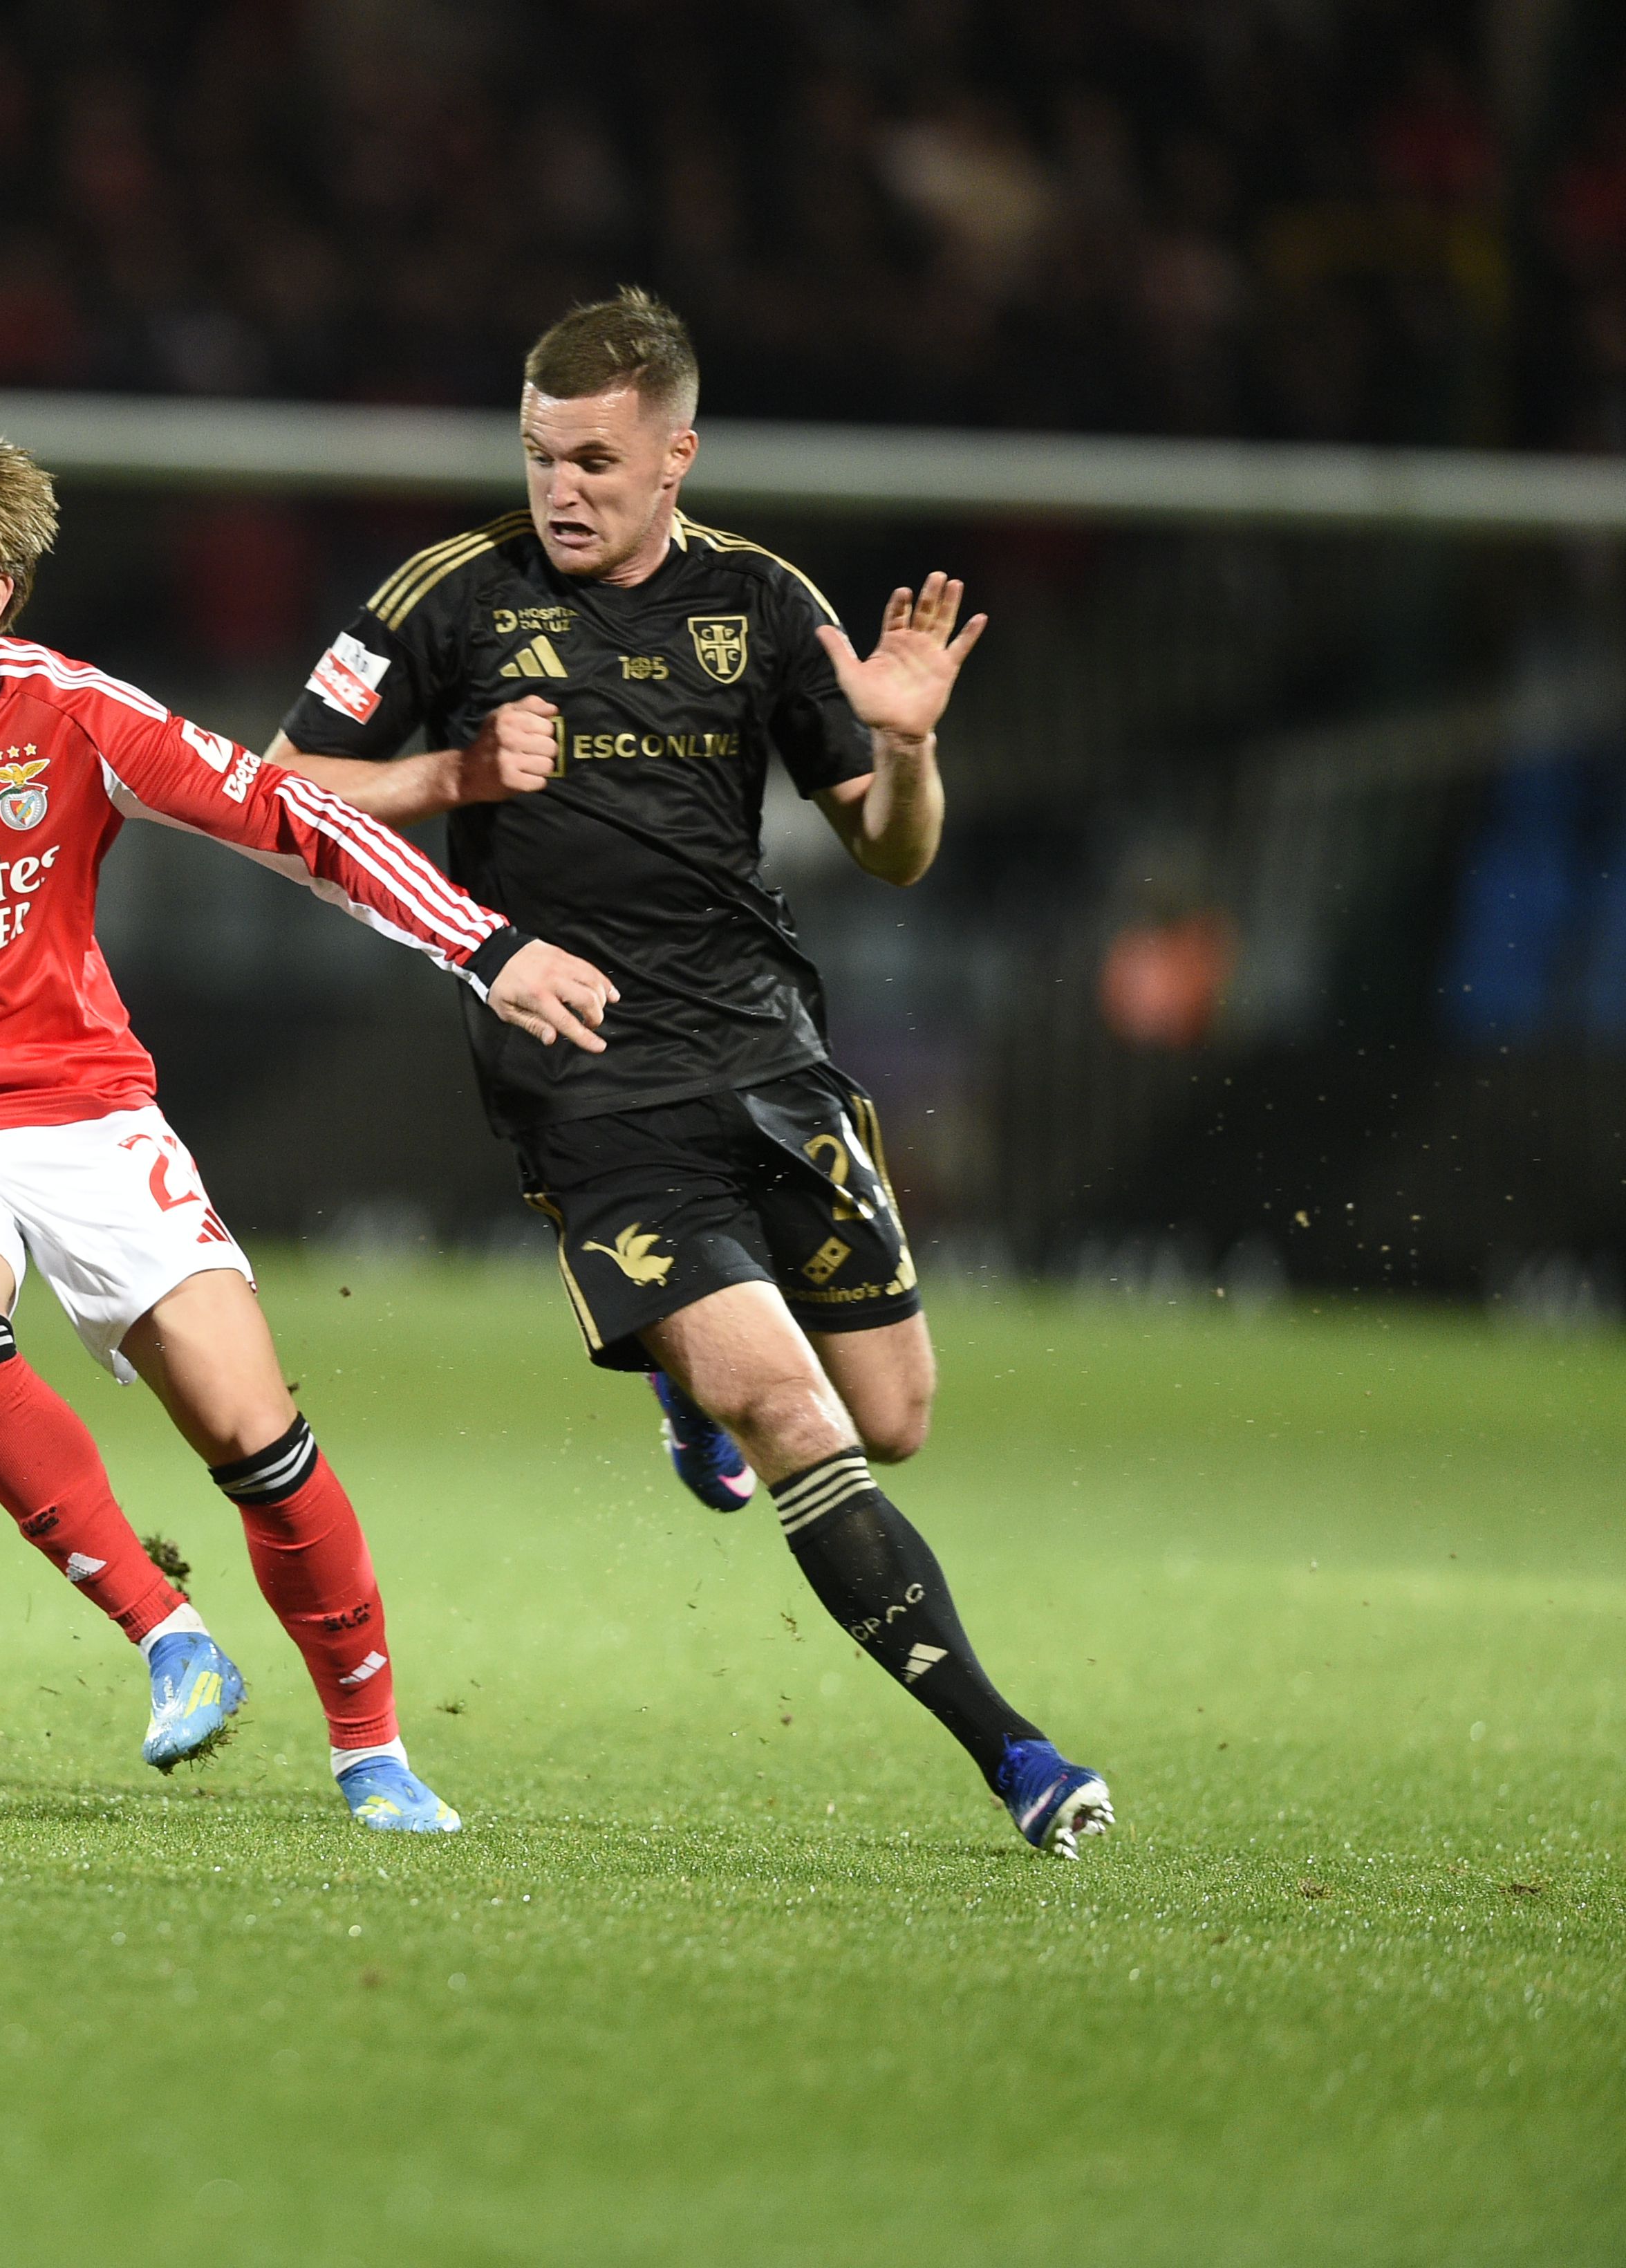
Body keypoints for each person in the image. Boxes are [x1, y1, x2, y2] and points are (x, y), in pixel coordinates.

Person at [263, 290, 1114, 1857]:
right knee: (790, 1409)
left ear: (676, 457)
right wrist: (452, 773)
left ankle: (680, 1372)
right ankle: (1018, 1755)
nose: (558, 489)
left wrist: (908, 746)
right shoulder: (449, 595)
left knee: (891, 1417)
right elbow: (276, 789)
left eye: (593, 461)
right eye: (539, 456)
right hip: (582, 1075)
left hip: (769, 1054)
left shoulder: (764, 601)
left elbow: (893, 852)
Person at [0, 426, 617, 1833]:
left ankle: (370, 1750)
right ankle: (167, 1632)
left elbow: (290, 819)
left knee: (253, 1433)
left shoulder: (71, 715)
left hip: (81, 1111)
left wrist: (484, 949)